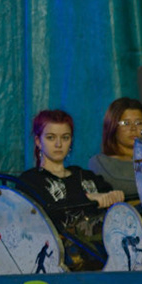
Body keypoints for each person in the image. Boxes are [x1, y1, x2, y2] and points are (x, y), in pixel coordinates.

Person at [18, 109, 123, 265]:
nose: (58, 144)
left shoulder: (85, 176)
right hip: (58, 261)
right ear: (38, 141)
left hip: (105, 257)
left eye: (65, 137)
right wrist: (89, 198)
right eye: (51, 137)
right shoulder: (30, 180)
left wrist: (116, 196)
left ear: (71, 141)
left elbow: (110, 195)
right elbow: (42, 214)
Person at [91, 98, 142, 200]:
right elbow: (119, 185)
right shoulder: (101, 162)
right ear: (112, 126)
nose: (133, 128)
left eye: (139, 123)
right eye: (126, 123)